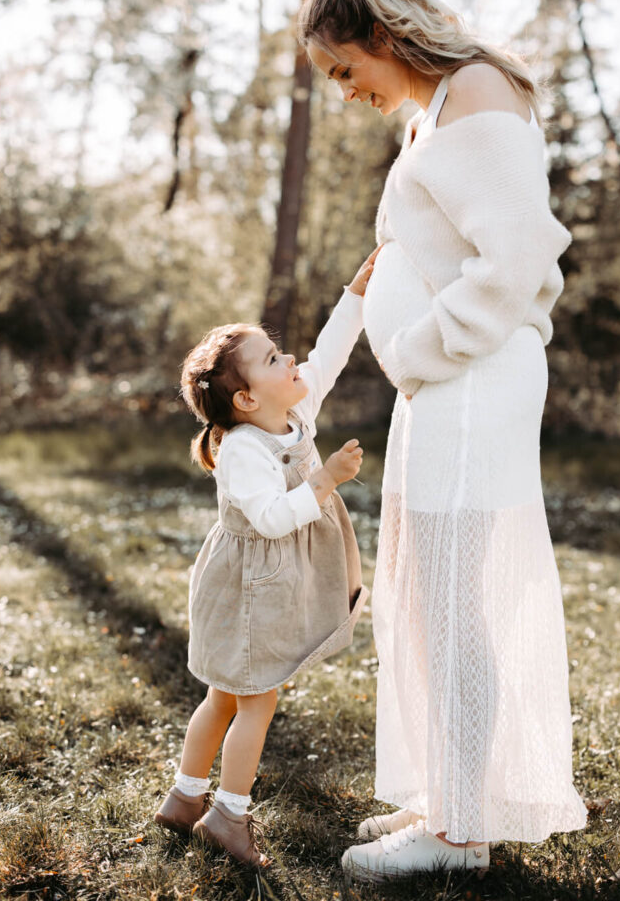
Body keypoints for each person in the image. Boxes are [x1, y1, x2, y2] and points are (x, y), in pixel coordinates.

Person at [299, 0, 588, 883]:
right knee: (425, 593)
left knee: (456, 598)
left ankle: (461, 834)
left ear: (383, 35)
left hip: (469, 382)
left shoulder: (475, 93)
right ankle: (447, 792)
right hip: (443, 389)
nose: (345, 92)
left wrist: (417, 351)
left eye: (346, 69)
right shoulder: (434, 111)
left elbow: (515, 261)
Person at [153, 250, 378, 867]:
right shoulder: (244, 450)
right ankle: (227, 813)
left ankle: (183, 797)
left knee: (224, 695)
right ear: (248, 400)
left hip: (273, 583)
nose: (293, 361)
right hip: (252, 587)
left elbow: (329, 356)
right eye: (276, 360)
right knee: (252, 697)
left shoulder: (293, 414)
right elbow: (272, 519)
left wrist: (355, 294)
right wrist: (325, 481)